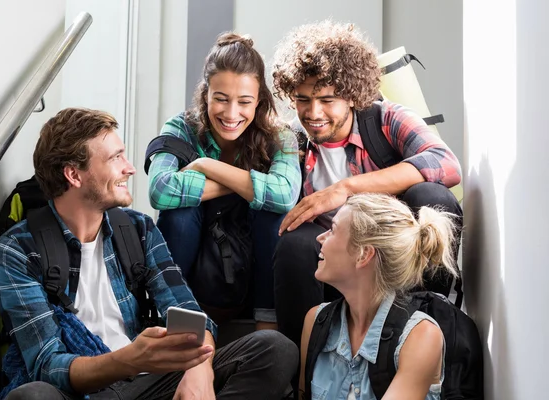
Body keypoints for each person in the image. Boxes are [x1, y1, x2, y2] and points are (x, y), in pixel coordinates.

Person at [0, 108, 298, 400]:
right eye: (115, 158)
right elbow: (47, 364)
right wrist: (129, 360)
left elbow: (189, 314)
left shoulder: (137, 229)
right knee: (32, 396)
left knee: (274, 349)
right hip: (81, 390)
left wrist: (198, 366)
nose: (130, 167)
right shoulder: (16, 250)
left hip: (147, 383)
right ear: (74, 175)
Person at [270, 20, 463, 347]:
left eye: (327, 99)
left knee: (432, 195)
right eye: (303, 99)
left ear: (351, 94)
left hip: (394, 260)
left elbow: (446, 163)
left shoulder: (385, 118)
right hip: (333, 264)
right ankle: (302, 359)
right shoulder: (291, 141)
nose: (313, 112)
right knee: (293, 244)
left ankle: (430, 328)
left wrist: (344, 189)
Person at [147, 32, 301, 329]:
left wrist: (206, 165)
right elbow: (160, 190)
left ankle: (266, 325)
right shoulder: (181, 127)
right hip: (198, 251)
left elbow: (284, 195)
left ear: (259, 101)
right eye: (221, 99)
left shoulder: (279, 136)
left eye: (244, 102)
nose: (232, 114)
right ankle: (174, 319)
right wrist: (250, 185)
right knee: (178, 213)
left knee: (272, 213)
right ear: (205, 94)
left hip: (254, 251)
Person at [300, 193, 458, 400]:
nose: (320, 237)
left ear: (364, 254)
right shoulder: (316, 322)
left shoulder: (420, 337)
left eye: (333, 230)